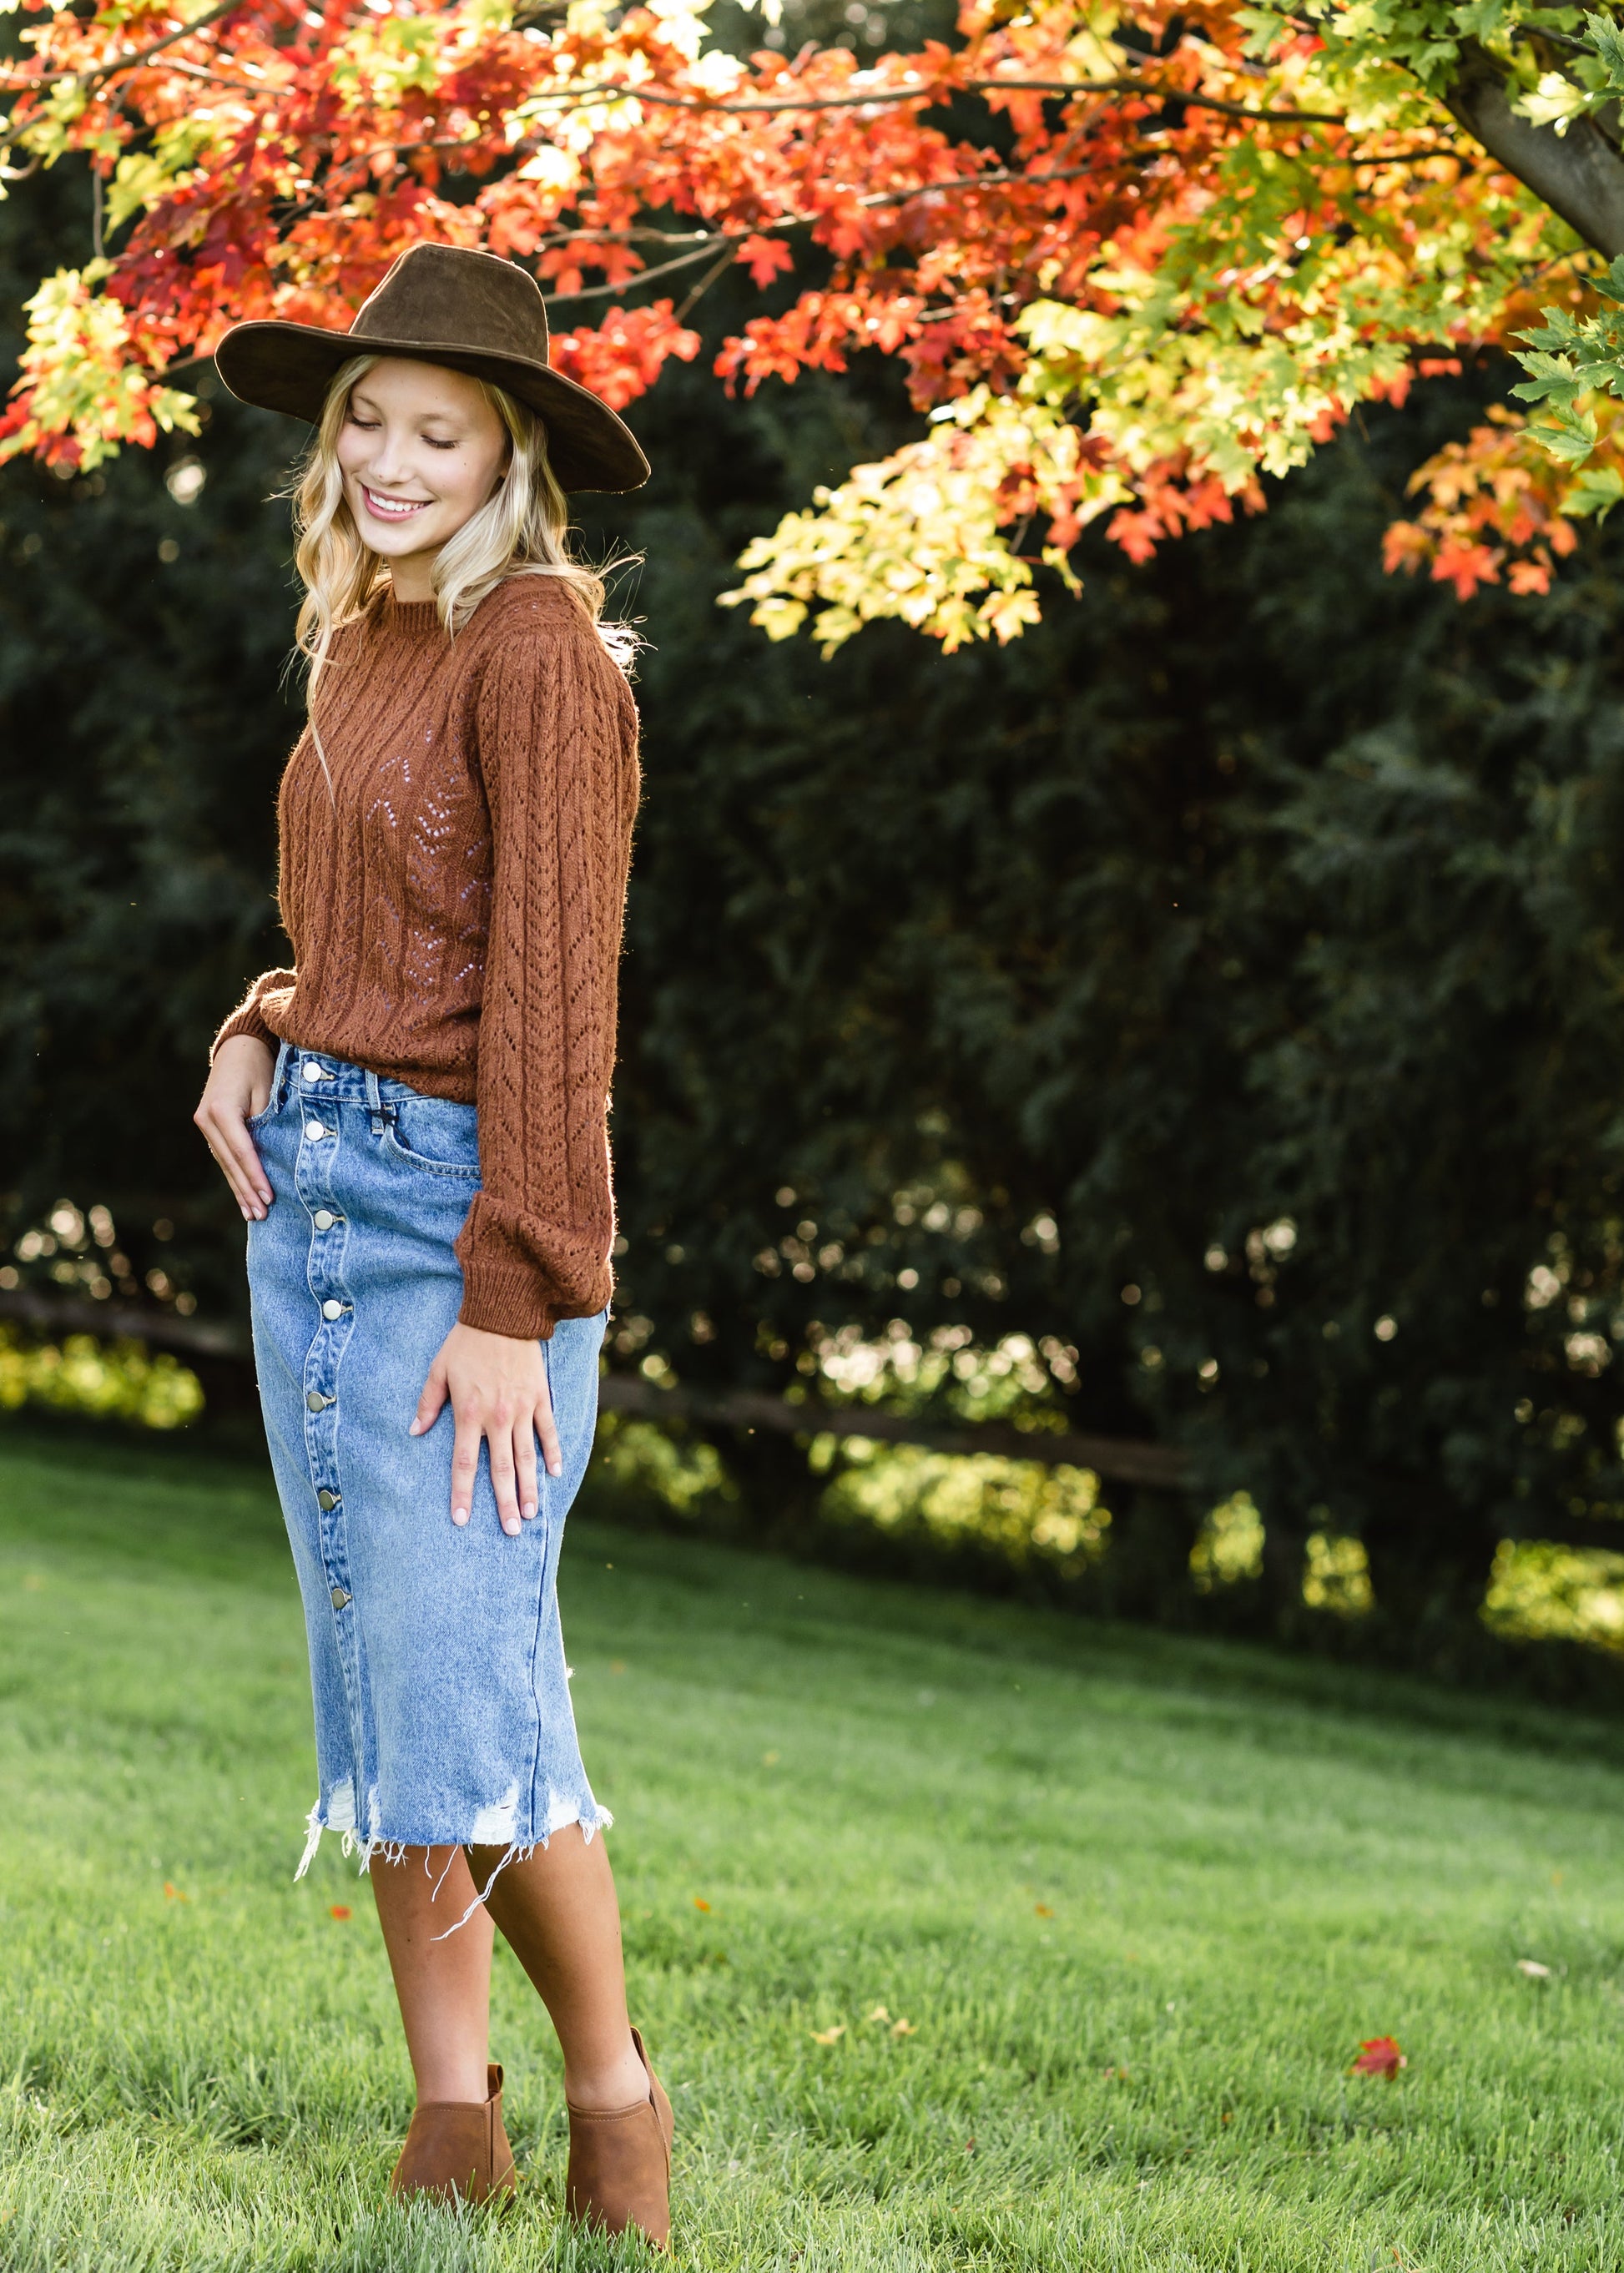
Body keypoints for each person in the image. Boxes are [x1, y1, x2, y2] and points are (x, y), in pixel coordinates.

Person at [192, 241, 672, 2248]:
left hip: (469, 1217)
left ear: (509, 457)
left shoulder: (544, 650)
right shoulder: (363, 633)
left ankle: (614, 2109)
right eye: (368, 425)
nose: (392, 461)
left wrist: (512, 1294)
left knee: (471, 1696)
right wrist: (252, 1021)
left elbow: (558, 1000)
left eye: (437, 433)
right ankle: (447, 2127)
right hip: (310, 1183)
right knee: (380, 1686)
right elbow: (375, 948)